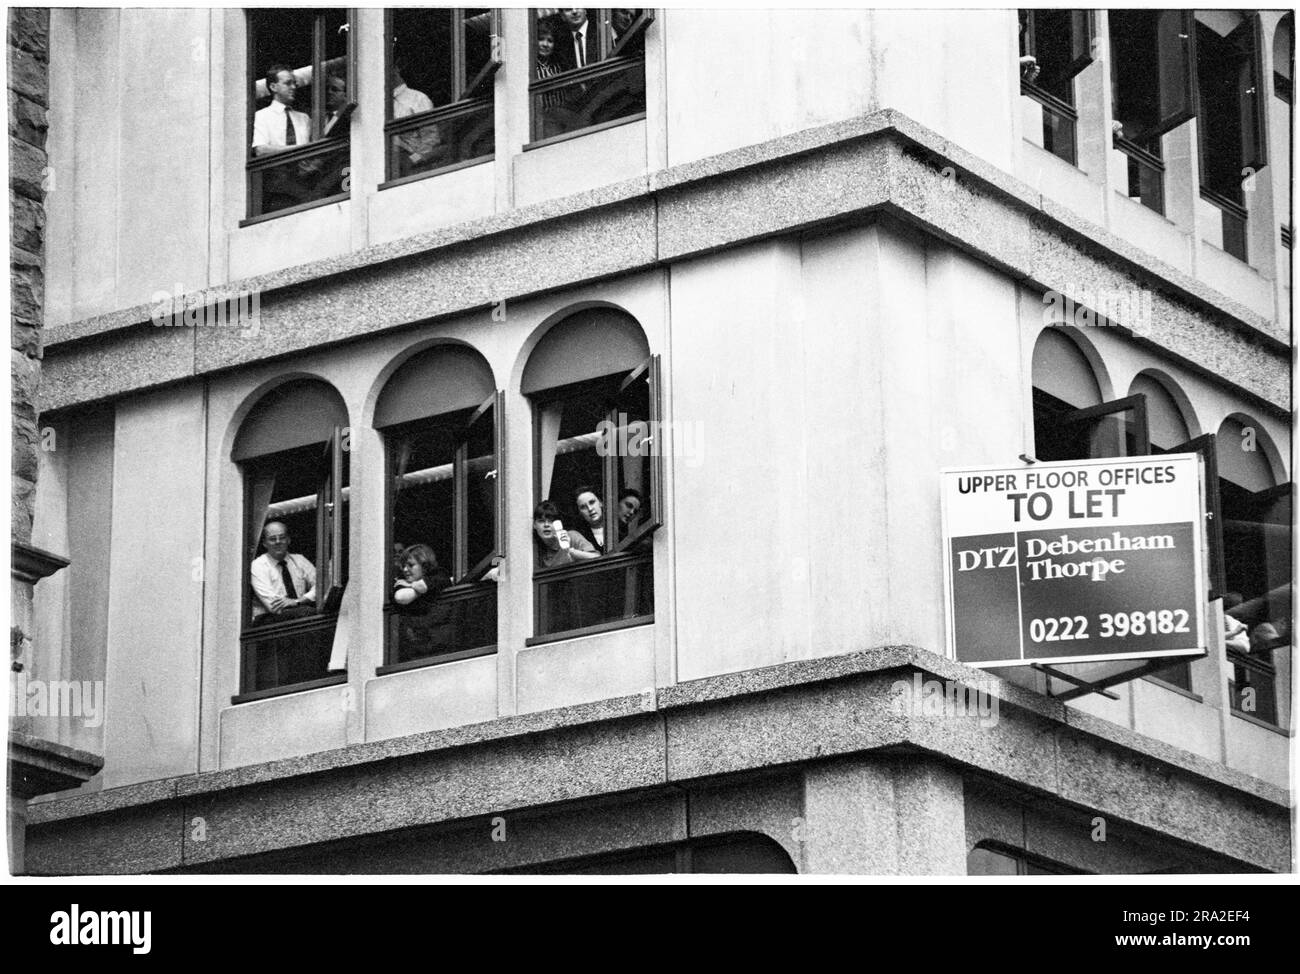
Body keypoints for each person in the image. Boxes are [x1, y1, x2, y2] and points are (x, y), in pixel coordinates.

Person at [251, 64, 321, 212]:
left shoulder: (304, 118)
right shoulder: (262, 116)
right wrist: (298, 150)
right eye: (288, 83)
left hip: (306, 186)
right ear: (273, 86)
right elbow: (261, 150)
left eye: (294, 83)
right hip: (277, 190)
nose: (293, 87)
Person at [393, 543, 455, 658]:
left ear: (424, 565)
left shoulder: (439, 575)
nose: (405, 570)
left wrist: (420, 585)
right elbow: (401, 597)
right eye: (404, 566)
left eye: (410, 565)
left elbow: (454, 578)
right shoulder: (401, 584)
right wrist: (421, 587)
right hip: (415, 652)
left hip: (444, 647)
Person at [250, 521, 317, 622]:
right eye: (272, 539)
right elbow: (274, 606)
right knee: (309, 612)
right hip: (267, 621)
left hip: (298, 614)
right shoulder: (258, 565)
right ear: (264, 543)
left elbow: (321, 587)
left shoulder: (300, 560)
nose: (278, 541)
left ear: (288, 540)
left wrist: (297, 601)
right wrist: (303, 601)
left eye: (282, 537)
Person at [392, 59, 443, 174]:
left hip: (414, 169)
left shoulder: (418, 99)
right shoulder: (377, 107)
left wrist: (412, 161)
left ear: (396, 68)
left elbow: (431, 140)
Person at [533, 500, 598, 568]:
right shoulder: (538, 551)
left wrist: (572, 552)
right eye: (541, 521)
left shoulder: (572, 536)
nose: (546, 525)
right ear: (534, 525)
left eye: (551, 521)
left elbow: (596, 557)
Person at [572, 486, 608, 552]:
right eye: (583, 507)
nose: (590, 509)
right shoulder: (580, 536)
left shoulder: (615, 528)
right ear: (580, 512)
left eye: (592, 502)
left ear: (601, 503)